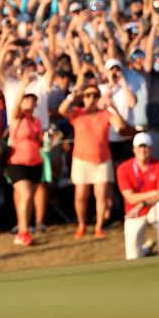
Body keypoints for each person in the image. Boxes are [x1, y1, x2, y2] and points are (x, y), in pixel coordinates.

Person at [59, 82, 126, 239]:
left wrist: (113, 107)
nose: (92, 98)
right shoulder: (77, 113)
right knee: (80, 196)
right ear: (83, 98)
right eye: (88, 96)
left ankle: (99, 227)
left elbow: (121, 126)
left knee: (101, 196)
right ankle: (82, 225)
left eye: (95, 95)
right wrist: (72, 96)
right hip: (81, 160)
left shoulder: (105, 115)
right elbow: (62, 110)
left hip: (102, 160)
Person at [116, 132, 159, 259]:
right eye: (140, 147)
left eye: (146, 147)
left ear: (151, 148)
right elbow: (130, 197)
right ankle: (146, 250)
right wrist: (152, 193)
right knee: (133, 257)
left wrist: (143, 203)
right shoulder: (124, 168)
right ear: (134, 149)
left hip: (151, 208)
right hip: (133, 213)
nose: (143, 150)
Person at [5, 91, 43, 246]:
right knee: (26, 195)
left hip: (35, 163)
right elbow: (15, 105)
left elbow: (39, 141)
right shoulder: (16, 118)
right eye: (26, 99)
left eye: (33, 100)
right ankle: (23, 231)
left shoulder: (36, 121)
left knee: (27, 198)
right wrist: (24, 85)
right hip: (17, 162)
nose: (29, 102)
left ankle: (24, 230)